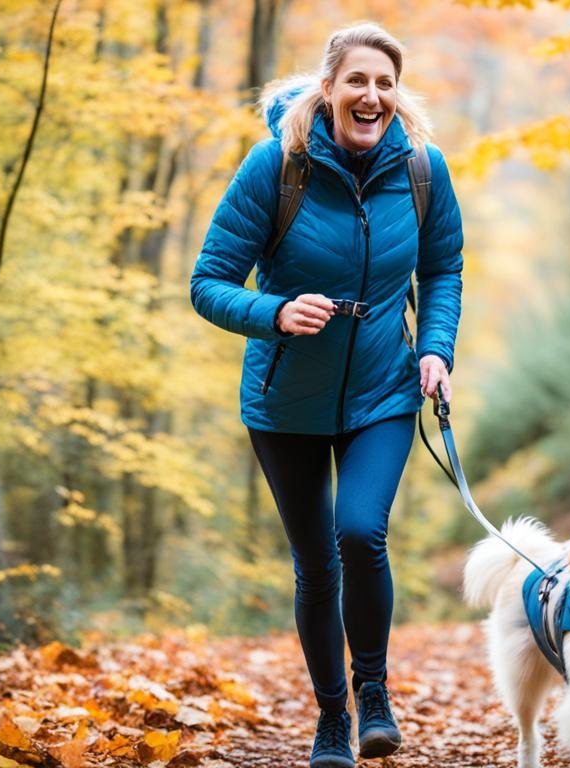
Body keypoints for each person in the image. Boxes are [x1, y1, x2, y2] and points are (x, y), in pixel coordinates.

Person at [189, 21, 463, 768]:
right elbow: (207, 284)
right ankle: (332, 717)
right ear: (328, 89)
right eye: (357, 82)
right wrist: (273, 312)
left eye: (384, 83)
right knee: (316, 563)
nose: (371, 96)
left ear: (395, 95)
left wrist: (435, 350)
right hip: (286, 405)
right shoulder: (277, 168)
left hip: (383, 390)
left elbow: (443, 271)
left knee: (359, 532)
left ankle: (373, 692)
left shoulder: (422, 171)